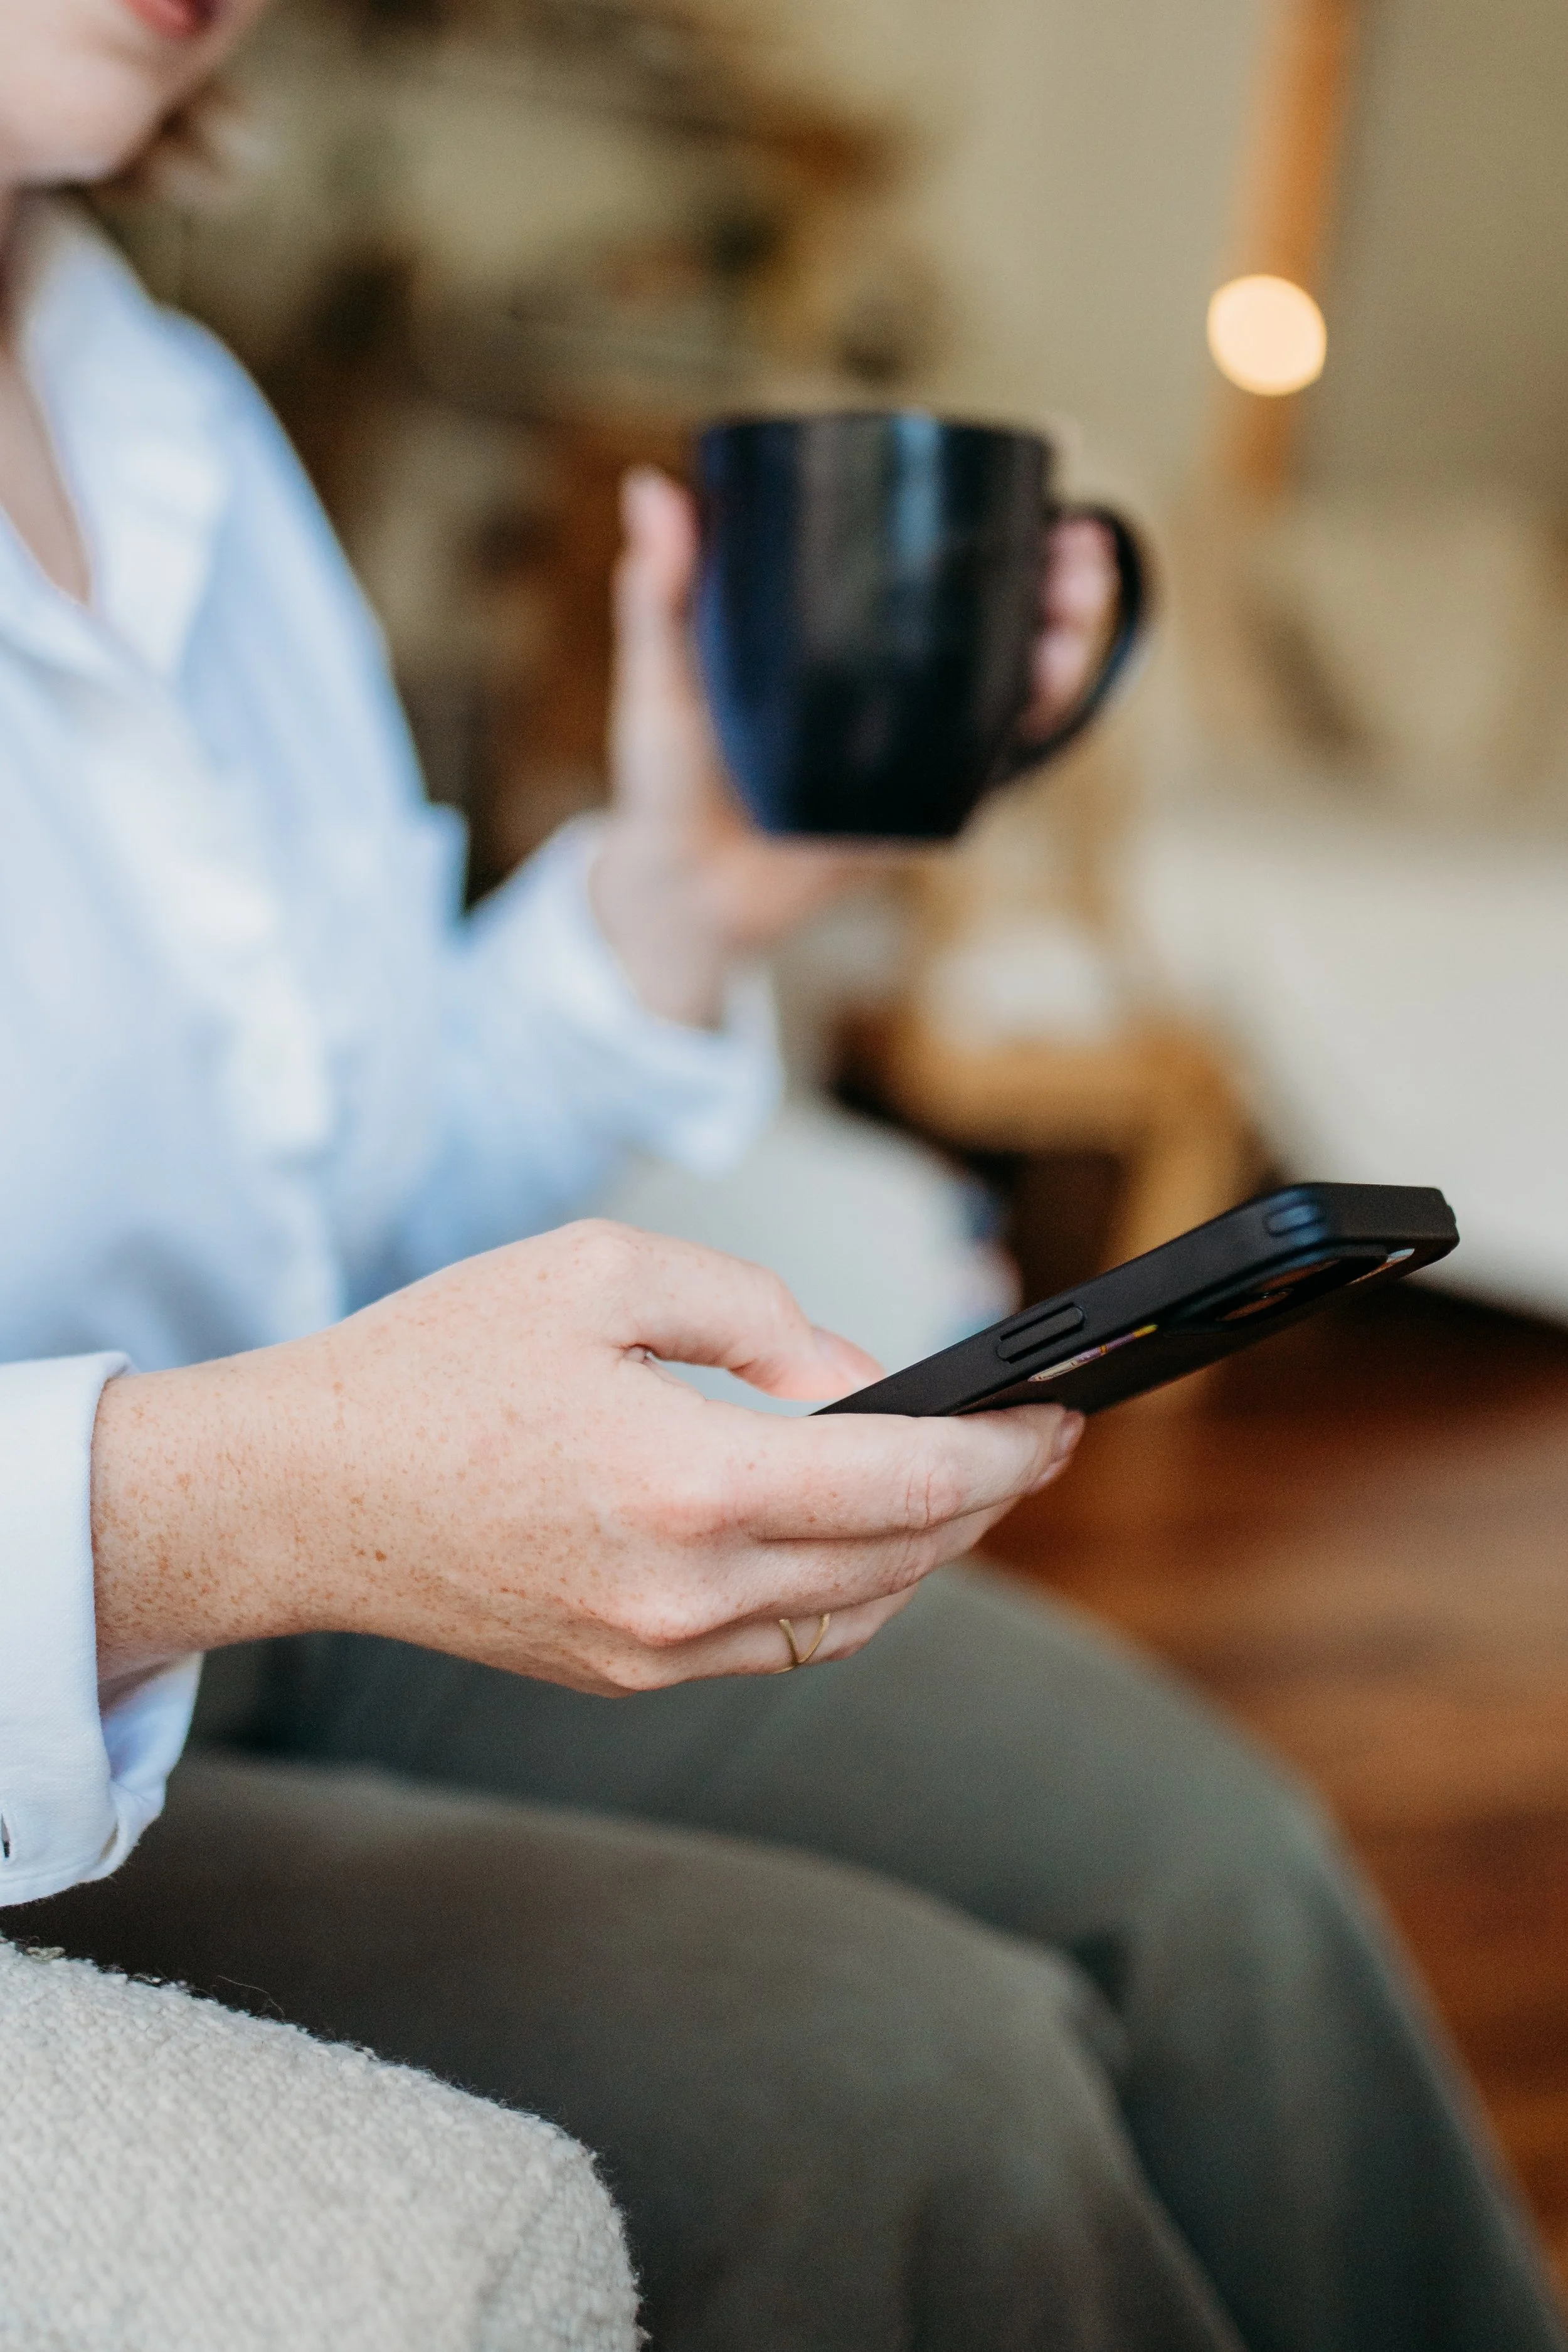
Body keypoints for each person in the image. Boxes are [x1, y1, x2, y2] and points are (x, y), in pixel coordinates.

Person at [1, 6, 1562, 2348]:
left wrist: (688, 886)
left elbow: (323, 1182)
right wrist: (234, 1502)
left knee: (1216, 1867)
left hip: (267, 1628)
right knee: (908, 2081)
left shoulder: (166, 413)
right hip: (86, 1685)